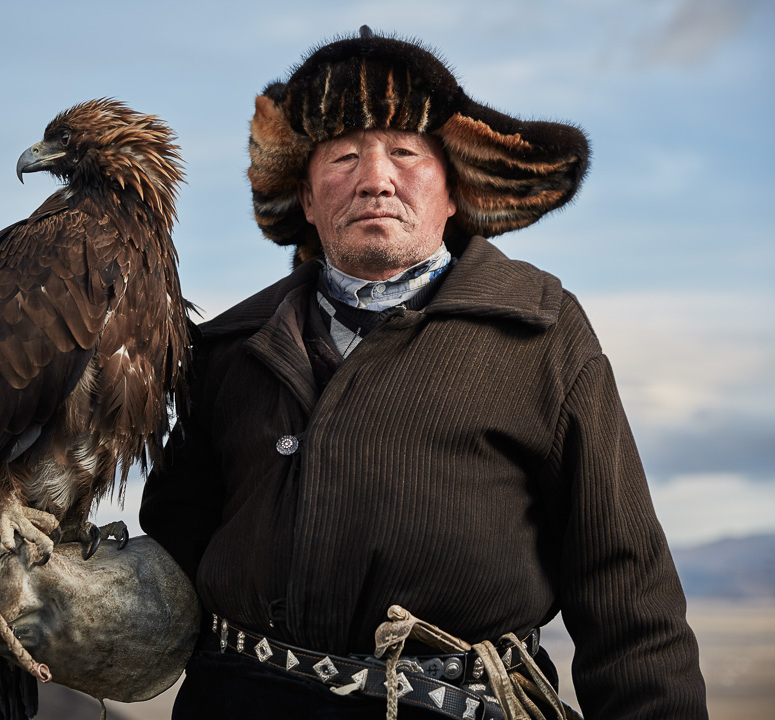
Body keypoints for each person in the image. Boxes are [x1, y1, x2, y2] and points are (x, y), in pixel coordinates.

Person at [139, 26, 708, 719]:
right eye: (343, 156)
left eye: (405, 153)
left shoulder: (539, 331)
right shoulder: (229, 349)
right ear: (307, 201)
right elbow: (174, 547)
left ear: (453, 191)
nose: (375, 179)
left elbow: (627, 590)